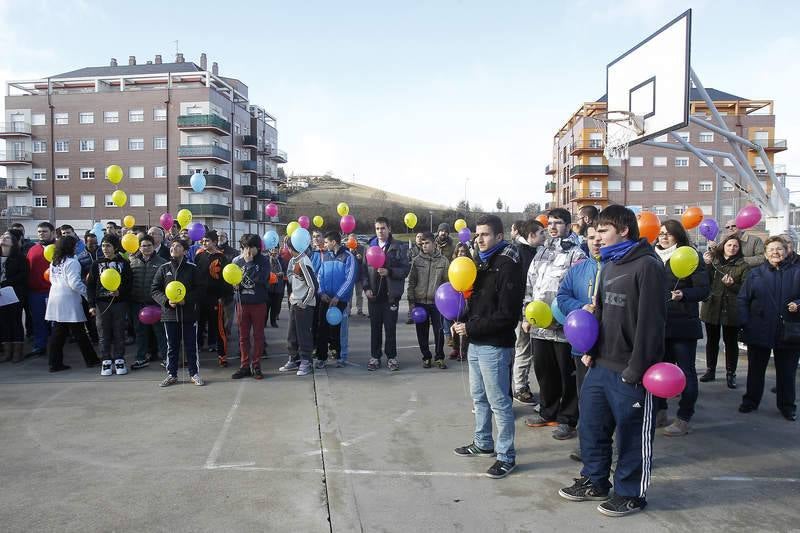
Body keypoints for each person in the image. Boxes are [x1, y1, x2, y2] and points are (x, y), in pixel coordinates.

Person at [558, 205, 665, 517]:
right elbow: (601, 312)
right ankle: (594, 480)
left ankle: (631, 493)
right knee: (591, 427)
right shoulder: (608, 265)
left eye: (603, 231)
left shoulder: (647, 266)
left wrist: (637, 370)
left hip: (632, 371)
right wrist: (591, 347)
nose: (597, 238)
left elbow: (651, 324)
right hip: (600, 364)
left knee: (632, 436)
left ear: (624, 230)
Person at [452, 214, 523, 479]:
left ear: (499, 237)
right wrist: (461, 320)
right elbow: (476, 305)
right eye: (477, 235)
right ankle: (483, 443)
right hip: (476, 343)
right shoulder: (479, 264)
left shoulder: (507, 265)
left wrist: (470, 328)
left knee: (499, 403)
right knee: (479, 398)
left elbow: (507, 314)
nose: (479, 239)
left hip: (495, 346)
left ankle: (506, 456)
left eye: (485, 235)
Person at [522, 208, 586, 440]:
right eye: (550, 223)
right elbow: (530, 285)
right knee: (544, 371)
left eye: (558, 223)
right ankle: (548, 410)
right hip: (539, 326)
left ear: (568, 226)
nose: (552, 227)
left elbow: (579, 289)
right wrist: (525, 314)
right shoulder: (541, 252)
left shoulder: (577, 254)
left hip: (563, 328)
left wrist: (567, 316)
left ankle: (568, 419)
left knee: (566, 374)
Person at [652, 220, 709, 436]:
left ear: (677, 235)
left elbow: (704, 290)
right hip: (657, 324)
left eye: (668, 234)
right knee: (658, 370)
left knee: (686, 372)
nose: (663, 237)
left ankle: (684, 417)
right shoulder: (651, 256)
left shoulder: (690, 255)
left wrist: (684, 294)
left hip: (683, 324)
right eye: (660, 234)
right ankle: (660, 411)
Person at [737, 236, 800, 421]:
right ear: (765, 253)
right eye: (771, 249)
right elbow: (742, 300)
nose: (775, 252)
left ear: (786, 251)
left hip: (788, 331)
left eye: (779, 249)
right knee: (755, 370)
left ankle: (787, 406)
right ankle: (750, 401)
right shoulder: (755, 274)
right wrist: (745, 322)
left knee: (787, 373)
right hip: (759, 329)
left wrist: (798, 303)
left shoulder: (797, 272)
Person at [556, 223, 602, 460]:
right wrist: (581, 307)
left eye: (600, 236)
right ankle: (587, 445)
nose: (596, 241)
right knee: (586, 398)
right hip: (581, 346)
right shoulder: (577, 270)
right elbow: (562, 296)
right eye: (591, 237)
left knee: (608, 402)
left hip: (609, 349)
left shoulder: (618, 268)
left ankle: (609, 447)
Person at [151, 238, 204, 387]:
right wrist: (167, 302)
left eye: (178, 246)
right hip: (169, 314)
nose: (174, 247)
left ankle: (194, 373)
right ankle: (171, 374)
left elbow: (200, 290)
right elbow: (155, 290)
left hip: (189, 314)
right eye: (172, 245)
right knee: (172, 346)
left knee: (190, 345)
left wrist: (185, 299)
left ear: (185, 251)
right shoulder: (163, 268)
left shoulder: (192, 269)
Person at [700, 233, 750, 387]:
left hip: (732, 309)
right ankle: (710, 370)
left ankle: (731, 373)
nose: (732, 248)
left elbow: (746, 289)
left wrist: (732, 285)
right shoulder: (714, 262)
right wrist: (706, 265)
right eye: (729, 245)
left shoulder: (743, 265)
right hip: (712, 307)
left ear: (739, 248)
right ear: (723, 247)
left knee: (730, 342)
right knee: (712, 341)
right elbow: (703, 282)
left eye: (735, 246)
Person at [44, 235, 100, 372]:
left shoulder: (55, 261)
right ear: (70, 247)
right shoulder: (72, 262)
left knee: (58, 333)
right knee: (79, 332)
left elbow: (51, 278)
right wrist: (88, 294)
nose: (76, 248)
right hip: (68, 299)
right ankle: (91, 360)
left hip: (55, 297)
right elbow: (75, 283)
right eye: (75, 246)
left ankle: (54, 363)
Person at [362, 217, 410, 371]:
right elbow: (363, 271)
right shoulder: (369, 246)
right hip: (373, 296)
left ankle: (391, 357)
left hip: (391, 296)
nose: (380, 231)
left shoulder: (399, 247)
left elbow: (405, 270)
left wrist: (389, 272)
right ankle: (375, 357)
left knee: (390, 329)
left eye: (383, 228)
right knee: (375, 328)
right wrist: (366, 288)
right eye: (377, 228)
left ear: (389, 229)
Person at [87, 234, 133, 376]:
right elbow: (90, 286)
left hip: (119, 303)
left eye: (108, 245)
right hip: (101, 304)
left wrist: (121, 292)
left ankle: (119, 359)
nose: (105, 249)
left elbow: (129, 283)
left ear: (115, 247)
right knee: (103, 333)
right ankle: (106, 361)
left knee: (119, 332)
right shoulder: (96, 264)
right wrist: (91, 305)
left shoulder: (124, 263)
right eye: (103, 246)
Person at [511, 219, 546, 405]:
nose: (545, 236)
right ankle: (520, 388)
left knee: (530, 351)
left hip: (537, 312)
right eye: (541, 233)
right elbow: (524, 287)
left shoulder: (536, 251)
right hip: (523, 313)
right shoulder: (521, 254)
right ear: (531, 235)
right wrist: (524, 315)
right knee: (523, 350)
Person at [407, 231, 449, 368]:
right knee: (422, 331)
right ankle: (426, 356)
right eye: (422, 243)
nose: (424, 246)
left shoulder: (443, 261)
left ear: (434, 243)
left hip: (437, 303)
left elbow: (447, 283)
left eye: (427, 243)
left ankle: (439, 357)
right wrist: (411, 302)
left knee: (439, 330)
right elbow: (411, 283)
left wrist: (446, 302)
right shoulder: (417, 261)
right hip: (420, 302)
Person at [316, 231, 358, 368]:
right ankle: (322, 357)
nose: (325, 244)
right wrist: (321, 292)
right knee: (322, 328)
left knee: (340, 330)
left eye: (327, 242)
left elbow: (350, 279)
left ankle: (341, 356)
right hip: (325, 299)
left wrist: (338, 296)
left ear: (334, 242)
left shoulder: (348, 257)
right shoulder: (325, 257)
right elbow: (319, 276)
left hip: (340, 301)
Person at [232, 234, 269, 380]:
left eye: (251, 247)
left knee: (258, 335)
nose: (248, 251)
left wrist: (249, 263)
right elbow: (232, 279)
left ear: (257, 248)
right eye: (245, 247)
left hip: (258, 303)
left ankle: (256, 365)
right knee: (243, 336)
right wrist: (234, 285)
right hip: (242, 303)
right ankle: (244, 365)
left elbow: (261, 278)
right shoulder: (237, 261)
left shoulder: (263, 261)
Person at [278, 238, 318, 377]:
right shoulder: (294, 261)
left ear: (291, 248)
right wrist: (293, 295)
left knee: (303, 334)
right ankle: (293, 359)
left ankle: (306, 361)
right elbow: (293, 281)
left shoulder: (303, 262)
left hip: (304, 305)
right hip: (295, 302)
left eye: (287, 247)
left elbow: (313, 286)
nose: (286, 249)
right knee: (292, 333)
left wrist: (304, 301)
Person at [129, 234, 168, 369]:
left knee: (160, 333)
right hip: (137, 303)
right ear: (139, 247)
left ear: (154, 246)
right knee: (140, 332)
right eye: (143, 246)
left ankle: (166, 358)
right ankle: (141, 358)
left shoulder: (162, 262)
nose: (146, 248)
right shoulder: (132, 262)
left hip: (156, 304)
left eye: (149, 245)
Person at [194, 230, 232, 366]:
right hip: (200, 298)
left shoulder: (222, 258)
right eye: (203, 241)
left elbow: (226, 280)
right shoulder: (199, 256)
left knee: (218, 328)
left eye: (207, 241)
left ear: (214, 242)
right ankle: (194, 354)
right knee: (197, 327)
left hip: (215, 299)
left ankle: (222, 355)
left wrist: (223, 296)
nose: (204, 243)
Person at [25, 221, 56, 358]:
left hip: (53, 292)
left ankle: (56, 347)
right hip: (35, 292)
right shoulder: (32, 249)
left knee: (55, 323)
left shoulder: (58, 249)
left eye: (44, 231)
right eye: (39, 232)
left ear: (52, 233)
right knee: (38, 320)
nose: (41, 234)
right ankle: (40, 345)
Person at [0, 231, 29, 363]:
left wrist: (6, 283)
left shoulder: (20, 258)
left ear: (13, 242)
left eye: (7, 238)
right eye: (2, 237)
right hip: (1, 294)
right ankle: (7, 352)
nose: (3, 239)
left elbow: (23, 275)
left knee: (15, 321)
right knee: (3, 322)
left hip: (15, 294)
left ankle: (18, 352)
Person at [446, 243, 473, 361]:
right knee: (456, 324)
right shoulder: (453, 266)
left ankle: (464, 351)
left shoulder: (471, 265)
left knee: (465, 326)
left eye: (463, 251)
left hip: (469, 298)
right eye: (459, 251)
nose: (461, 253)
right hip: (456, 299)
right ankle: (456, 349)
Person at [405, 232, 425, 324]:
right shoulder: (411, 250)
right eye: (418, 237)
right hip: (413, 276)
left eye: (421, 237)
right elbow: (405, 262)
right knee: (411, 296)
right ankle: (411, 316)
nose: (419, 238)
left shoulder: (426, 249)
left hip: (423, 277)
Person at [267, 247, 286, 327]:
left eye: (275, 253)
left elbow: (286, 270)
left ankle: (273, 322)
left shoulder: (281, 260)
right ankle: (264, 322)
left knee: (275, 306)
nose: (273, 254)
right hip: (269, 287)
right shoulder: (266, 260)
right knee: (267, 306)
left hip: (278, 286)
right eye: (272, 253)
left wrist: (282, 273)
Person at [347, 233, 366, 316]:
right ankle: (348, 310)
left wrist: (361, 259)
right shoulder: (346, 250)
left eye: (354, 240)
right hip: (349, 276)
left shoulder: (362, 249)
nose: (352, 241)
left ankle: (360, 310)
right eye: (350, 239)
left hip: (359, 275)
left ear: (357, 241)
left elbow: (366, 262)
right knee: (349, 294)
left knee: (359, 294)